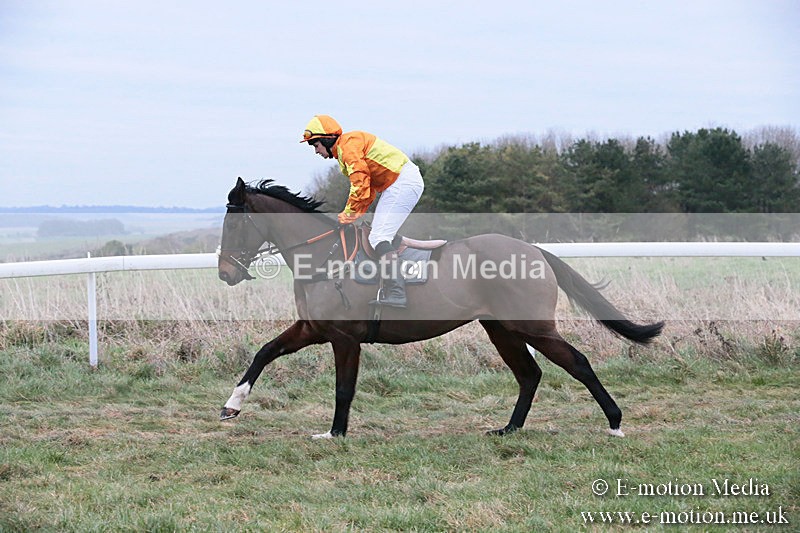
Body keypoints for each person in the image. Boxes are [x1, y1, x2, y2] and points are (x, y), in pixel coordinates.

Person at [301, 114, 424, 308]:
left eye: (315, 145)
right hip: (396, 184)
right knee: (378, 234)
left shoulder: (348, 148)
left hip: (402, 183)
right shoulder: (346, 149)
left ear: (326, 139)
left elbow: (360, 185)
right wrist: (351, 216)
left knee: (378, 237)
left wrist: (346, 216)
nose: (316, 151)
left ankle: (397, 292)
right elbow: (366, 193)